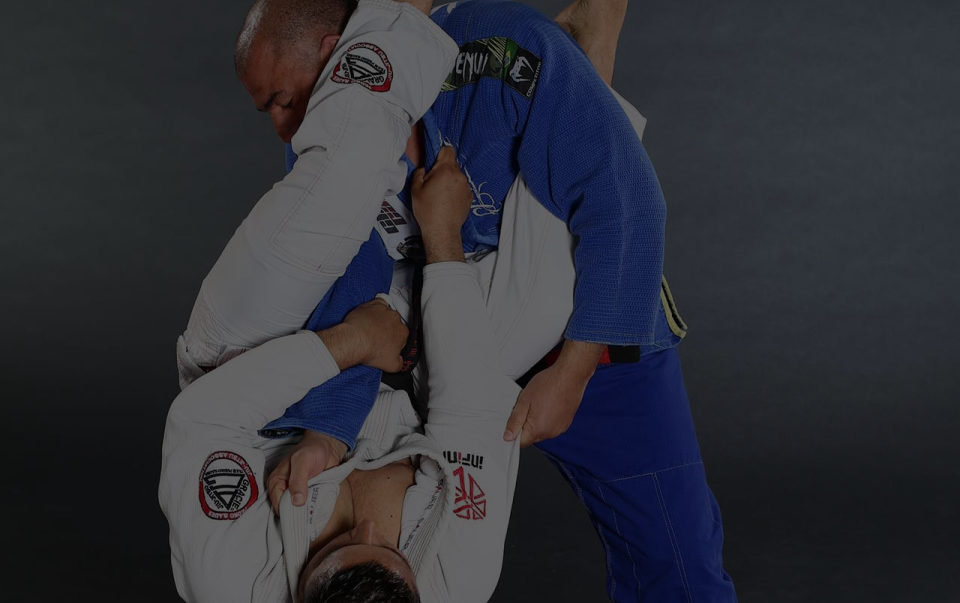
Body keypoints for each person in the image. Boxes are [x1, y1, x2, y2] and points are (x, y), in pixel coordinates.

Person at [178, 0, 737, 600]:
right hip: (450, 355)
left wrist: (574, 369)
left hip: (583, 325)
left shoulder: (498, 53)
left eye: (283, 100)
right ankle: (587, 80)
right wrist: (330, 427)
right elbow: (355, 298)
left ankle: (585, 70)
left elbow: (631, 205)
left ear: (333, 55)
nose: (284, 127)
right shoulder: (326, 149)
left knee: (679, 572)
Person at [160, 150, 529, 603]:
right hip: (412, 369)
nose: (370, 529)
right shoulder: (460, 582)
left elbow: (205, 418)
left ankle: (353, 111)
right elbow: (470, 410)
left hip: (259, 382)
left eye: (340, 543)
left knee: (345, 175)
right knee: (541, 283)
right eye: (390, 550)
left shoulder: (235, 586)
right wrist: (441, 236)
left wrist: (351, 345)